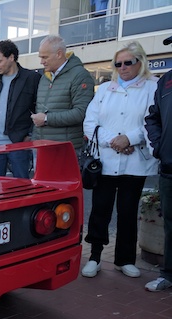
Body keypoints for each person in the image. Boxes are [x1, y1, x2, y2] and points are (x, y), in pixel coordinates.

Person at [80, 42, 159, 279]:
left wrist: (130, 139)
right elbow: (90, 122)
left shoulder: (152, 87)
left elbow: (153, 120)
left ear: (139, 63)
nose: (122, 67)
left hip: (135, 160)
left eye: (128, 63)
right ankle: (94, 256)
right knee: (100, 209)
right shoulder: (105, 89)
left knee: (127, 210)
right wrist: (113, 141)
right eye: (118, 63)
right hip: (105, 159)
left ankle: (124, 259)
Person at [0, 40, 41, 178]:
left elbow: (38, 108)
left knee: (21, 186)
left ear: (11, 57)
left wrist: (30, 135)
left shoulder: (31, 78)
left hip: (18, 143)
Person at [31, 35, 95, 153]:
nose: (41, 62)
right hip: (42, 147)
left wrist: (46, 119)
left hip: (65, 149)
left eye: (45, 57)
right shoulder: (45, 77)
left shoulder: (80, 76)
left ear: (59, 54)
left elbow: (81, 112)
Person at [144, 36, 172, 291]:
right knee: (170, 224)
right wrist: (158, 145)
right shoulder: (166, 81)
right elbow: (152, 118)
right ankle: (169, 274)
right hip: (169, 168)